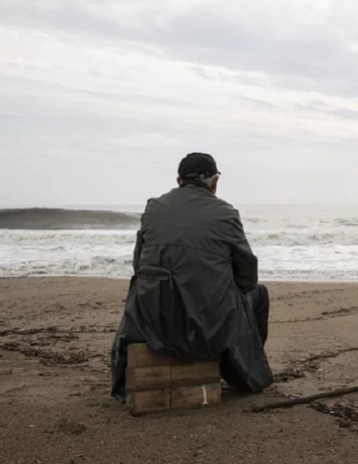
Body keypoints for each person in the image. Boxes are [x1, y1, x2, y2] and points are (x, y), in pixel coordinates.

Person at [110, 152, 273, 402]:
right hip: (208, 325)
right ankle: (241, 372)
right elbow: (247, 275)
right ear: (214, 181)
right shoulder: (226, 213)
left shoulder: (153, 207)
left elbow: (139, 265)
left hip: (152, 322)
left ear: (179, 180)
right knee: (258, 295)